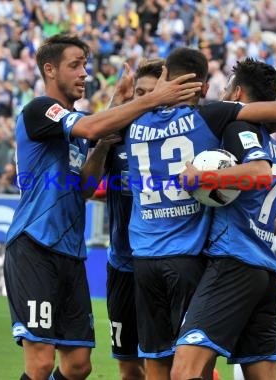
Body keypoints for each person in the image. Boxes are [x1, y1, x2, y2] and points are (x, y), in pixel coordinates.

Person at [3, 34, 203, 380]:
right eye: (75, 65)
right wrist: (153, 98)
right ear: (50, 70)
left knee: (79, 366)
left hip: (70, 252)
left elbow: (83, 186)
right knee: (39, 365)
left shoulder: (73, 126)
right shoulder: (40, 109)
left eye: (86, 65)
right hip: (34, 245)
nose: (84, 73)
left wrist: (100, 147)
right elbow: (92, 125)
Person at [125, 48, 276, 379]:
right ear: (203, 88)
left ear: (164, 80)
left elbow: (259, 172)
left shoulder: (131, 121)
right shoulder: (215, 118)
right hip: (210, 259)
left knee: (168, 370)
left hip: (156, 259)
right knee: (205, 370)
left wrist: (202, 177)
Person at [172, 58, 276, 380]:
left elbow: (257, 174)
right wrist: (265, 232)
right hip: (265, 272)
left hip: (232, 263)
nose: (222, 93)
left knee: (185, 370)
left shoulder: (238, 128)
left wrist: (201, 180)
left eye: (226, 87)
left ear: (237, 93)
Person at [104, 59, 165, 380]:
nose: (143, 100)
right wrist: (116, 100)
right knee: (129, 368)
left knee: (177, 365)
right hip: (123, 268)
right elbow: (86, 184)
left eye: (151, 94)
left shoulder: (180, 138)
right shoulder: (117, 135)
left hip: (166, 265)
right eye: (138, 93)